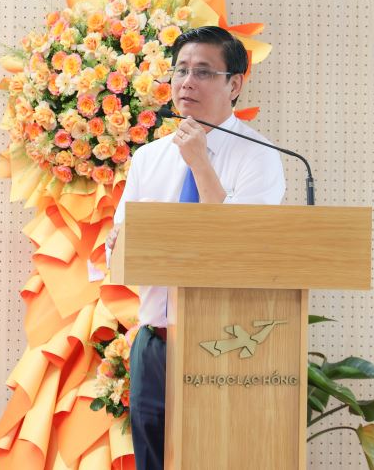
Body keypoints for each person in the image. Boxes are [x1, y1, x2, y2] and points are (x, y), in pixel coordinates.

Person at [106, 26, 286, 470]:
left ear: (235, 84)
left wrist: (201, 163)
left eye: (203, 72)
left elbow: (239, 252)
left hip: (223, 345)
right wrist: (119, 243)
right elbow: (121, 250)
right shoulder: (149, 157)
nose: (187, 82)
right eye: (181, 70)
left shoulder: (259, 156)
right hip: (155, 343)